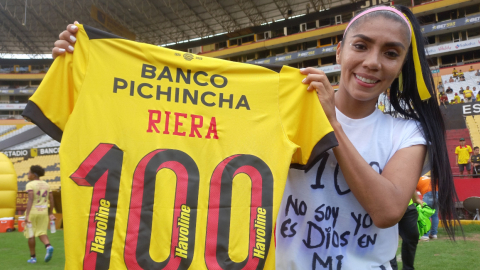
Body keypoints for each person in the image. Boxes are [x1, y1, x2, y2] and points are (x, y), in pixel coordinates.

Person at [53, 5, 460, 269]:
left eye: (390, 53)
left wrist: (331, 124)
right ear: (340, 52)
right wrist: (88, 69)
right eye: (361, 46)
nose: (372, 62)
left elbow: (388, 209)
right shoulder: (279, 105)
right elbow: (180, 119)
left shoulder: (406, 130)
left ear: (402, 64)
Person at [24, 165, 55, 263]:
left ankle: (33, 258)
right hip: (44, 212)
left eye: (29, 173)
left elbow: (30, 199)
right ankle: (48, 246)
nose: (27, 175)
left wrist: (27, 215)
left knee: (31, 235)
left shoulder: (30, 184)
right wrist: (51, 213)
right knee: (42, 232)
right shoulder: (46, 184)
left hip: (33, 212)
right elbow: (51, 199)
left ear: (33, 175)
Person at [390, 194, 422, 270]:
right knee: (388, 240)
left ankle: (408, 268)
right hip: (387, 206)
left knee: (412, 236)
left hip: (407, 205)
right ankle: (391, 268)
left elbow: (410, 182)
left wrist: (416, 198)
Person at [416, 174, 439, 240]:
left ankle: (425, 235)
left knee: (426, 215)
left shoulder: (415, 179)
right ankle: (434, 234)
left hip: (428, 193)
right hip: (437, 193)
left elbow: (411, 192)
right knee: (435, 215)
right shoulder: (427, 178)